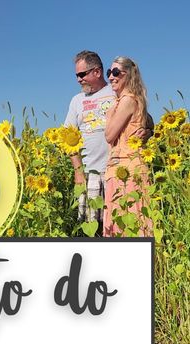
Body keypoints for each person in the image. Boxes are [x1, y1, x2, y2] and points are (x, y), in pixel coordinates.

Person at [64, 51, 116, 228]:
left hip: (116, 170)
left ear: (97, 72)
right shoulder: (76, 101)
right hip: (90, 173)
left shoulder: (116, 91)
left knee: (117, 222)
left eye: (82, 74)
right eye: (76, 75)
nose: (78, 79)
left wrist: (146, 130)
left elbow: (142, 117)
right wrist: (78, 171)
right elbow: (66, 138)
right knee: (91, 225)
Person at [103, 57, 153, 236]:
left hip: (127, 171)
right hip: (121, 168)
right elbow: (149, 120)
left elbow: (109, 135)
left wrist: (110, 115)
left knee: (127, 223)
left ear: (129, 75)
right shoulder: (130, 100)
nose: (111, 77)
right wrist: (148, 130)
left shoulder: (127, 101)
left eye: (116, 72)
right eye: (109, 73)